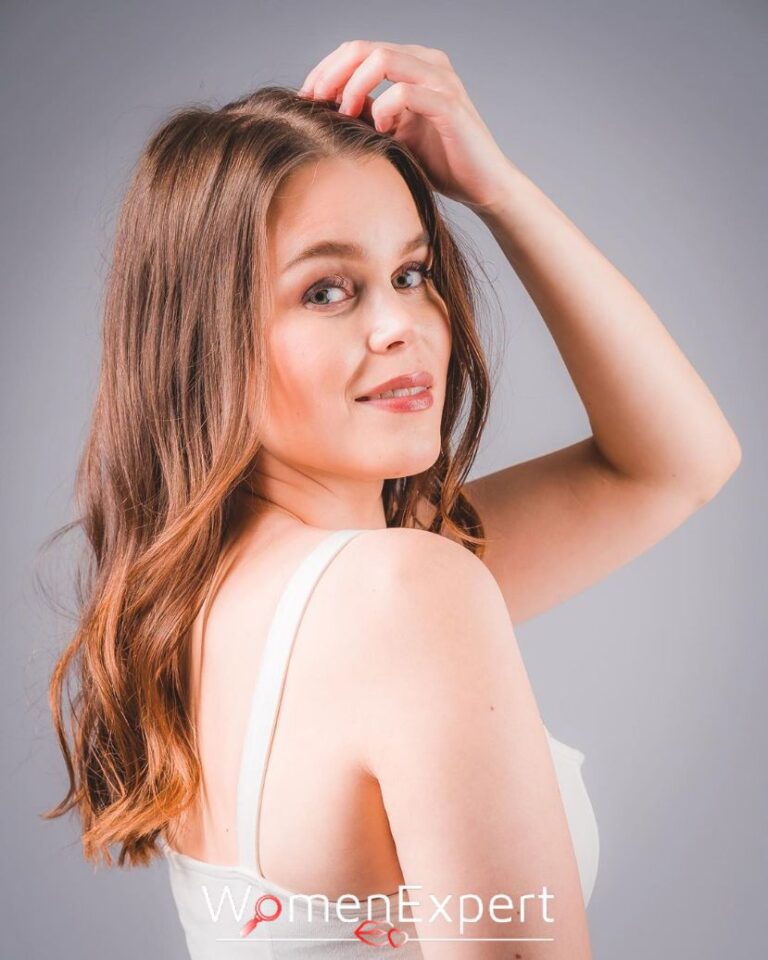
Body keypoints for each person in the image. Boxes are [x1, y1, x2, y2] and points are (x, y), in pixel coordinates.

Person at [43, 40, 741, 960]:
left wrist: (498, 192)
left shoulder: (196, 598)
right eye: (327, 291)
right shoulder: (401, 595)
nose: (400, 326)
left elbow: (676, 464)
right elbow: (678, 466)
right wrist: (501, 192)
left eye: (412, 274)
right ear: (206, 343)